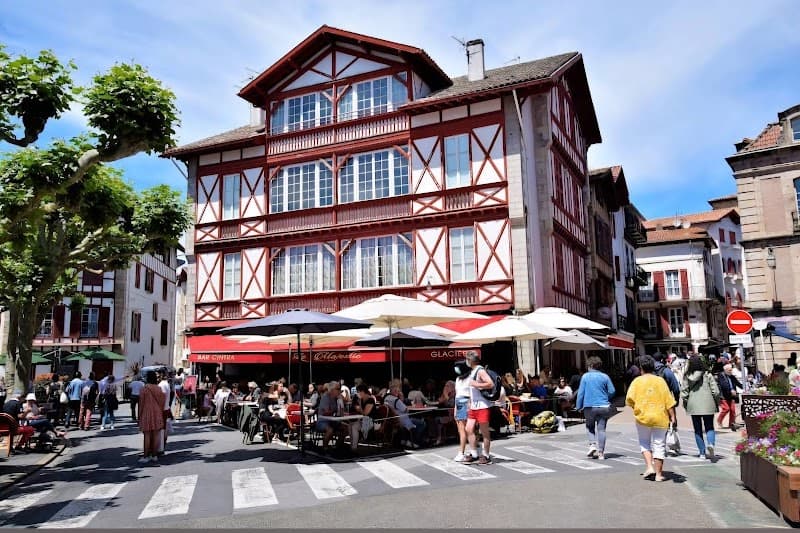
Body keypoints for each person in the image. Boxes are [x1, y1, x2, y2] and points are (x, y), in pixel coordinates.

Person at [625, 355, 677, 482]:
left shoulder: (636, 382)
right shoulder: (660, 381)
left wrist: (637, 408)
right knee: (659, 444)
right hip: (660, 416)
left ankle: (649, 467)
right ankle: (659, 474)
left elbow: (629, 400)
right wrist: (673, 416)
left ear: (641, 368)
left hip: (643, 417)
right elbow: (668, 400)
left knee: (644, 442)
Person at [576, 356, 616, 460]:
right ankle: (601, 453)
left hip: (589, 406)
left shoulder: (585, 377)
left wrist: (578, 406)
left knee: (589, 426)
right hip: (604, 406)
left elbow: (581, 393)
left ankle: (592, 444)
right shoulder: (605, 377)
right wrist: (605, 398)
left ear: (590, 365)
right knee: (601, 429)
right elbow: (612, 391)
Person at [681, 356, 720, 460]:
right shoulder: (707, 375)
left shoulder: (687, 376)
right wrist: (716, 402)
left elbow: (684, 393)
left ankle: (702, 452)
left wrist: (686, 404)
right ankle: (711, 444)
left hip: (693, 404)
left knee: (697, 429)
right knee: (709, 427)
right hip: (708, 403)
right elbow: (715, 391)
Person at [463, 350, 494, 465]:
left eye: (467, 359)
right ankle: (474, 452)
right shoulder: (473, 371)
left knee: (484, 432)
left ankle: (486, 455)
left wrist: (476, 384)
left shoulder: (480, 370)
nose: (466, 362)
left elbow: (490, 383)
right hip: (474, 406)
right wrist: (470, 401)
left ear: (470, 360)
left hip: (482, 406)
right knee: (468, 429)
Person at [384, 384, 425, 449]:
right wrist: (401, 398)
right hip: (402, 421)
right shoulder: (396, 400)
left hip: (393, 420)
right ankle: (413, 441)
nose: (398, 392)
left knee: (413, 420)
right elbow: (406, 410)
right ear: (394, 391)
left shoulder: (386, 398)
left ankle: (404, 440)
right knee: (422, 423)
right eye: (397, 391)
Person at [137, 371, 166, 464]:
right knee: (156, 435)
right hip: (157, 412)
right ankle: (154, 455)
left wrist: (139, 416)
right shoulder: (159, 389)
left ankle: (146, 456)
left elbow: (141, 404)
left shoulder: (144, 389)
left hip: (146, 412)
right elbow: (162, 402)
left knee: (147, 435)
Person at [316, 381, 347, 453]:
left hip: (333, 420)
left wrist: (341, 400)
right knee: (330, 430)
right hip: (323, 421)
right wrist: (336, 411)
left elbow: (343, 408)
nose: (340, 391)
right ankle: (325, 448)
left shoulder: (336, 398)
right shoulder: (325, 397)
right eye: (338, 389)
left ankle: (337, 447)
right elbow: (326, 412)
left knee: (346, 429)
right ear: (332, 390)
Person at [453, 361, 471, 462]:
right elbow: (457, 394)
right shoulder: (458, 379)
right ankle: (472, 449)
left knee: (463, 430)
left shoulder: (468, 379)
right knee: (464, 429)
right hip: (460, 402)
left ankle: (461, 452)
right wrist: (455, 408)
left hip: (466, 402)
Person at [717, 364, 743, 431]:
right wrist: (730, 390)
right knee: (726, 409)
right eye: (729, 370)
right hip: (724, 395)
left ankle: (731, 424)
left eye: (731, 370)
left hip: (731, 396)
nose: (731, 371)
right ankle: (719, 420)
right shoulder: (721, 375)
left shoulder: (732, 376)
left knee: (732, 410)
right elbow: (724, 385)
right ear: (725, 370)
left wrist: (744, 388)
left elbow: (738, 383)